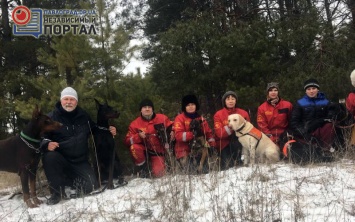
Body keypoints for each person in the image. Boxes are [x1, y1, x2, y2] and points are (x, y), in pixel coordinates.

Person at [41, 87, 117, 205]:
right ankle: (56, 193)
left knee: (92, 185)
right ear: (61, 101)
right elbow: (40, 136)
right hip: (61, 159)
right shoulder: (51, 117)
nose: (69, 102)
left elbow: (95, 129)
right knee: (49, 156)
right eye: (66, 99)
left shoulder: (83, 116)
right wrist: (46, 143)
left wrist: (108, 130)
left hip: (79, 161)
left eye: (72, 99)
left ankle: (67, 180)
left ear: (76, 102)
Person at [124, 98, 174, 178]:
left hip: (158, 152)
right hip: (144, 151)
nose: (147, 109)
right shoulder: (134, 124)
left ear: (152, 109)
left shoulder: (162, 118)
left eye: (149, 107)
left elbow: (173, 126)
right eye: (144, 107)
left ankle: (161, 165)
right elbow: (127, 141)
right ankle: (143, 169)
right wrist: (138, 136)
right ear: (141, 110)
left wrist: (173, 132)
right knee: (134, 148)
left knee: (159, 174)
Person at [289, 78, 335, 152]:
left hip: (321, 130)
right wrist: (303, 132)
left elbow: (332, 115)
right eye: (309, 89)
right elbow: (294, 122)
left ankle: (326, 150)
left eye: (314, 88)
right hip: (306, 131)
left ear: (318, 89)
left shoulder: (326, 102)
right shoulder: (300, 103)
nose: (311, 91)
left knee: (329, 126)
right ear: (305, 91)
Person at [173, 94, 215, 173]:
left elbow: (208, 133)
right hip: (184, 150)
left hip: (199, 149)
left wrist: (212, 145)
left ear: (196, 106)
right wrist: (193, 134)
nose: (191, 106)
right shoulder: (179, 118)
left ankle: (203, 166)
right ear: (184, 107)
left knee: (204, 172)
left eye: (193, 104)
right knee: (191, 173)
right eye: (188, 105)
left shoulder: (201, 119)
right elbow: (178, 135)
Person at [213, 91, 250, 170]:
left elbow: (248, 129)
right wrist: (233, 127)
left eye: (233, 99)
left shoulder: (243, 113)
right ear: (224, 101)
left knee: (239, 164)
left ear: (236, 101)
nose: (230, 101)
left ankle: (241, 159)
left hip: (239, 142)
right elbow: (219, 133)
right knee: (227, 166)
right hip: (224, 143)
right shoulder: (218, 114)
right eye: (228, 99)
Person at [257, 82, 293, 147]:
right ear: (267, 92)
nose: (273, 92)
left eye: (275, 90)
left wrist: (289, 133)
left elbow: (292, 121)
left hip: (285, 136)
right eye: (270, 90)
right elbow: (262, 126)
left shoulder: (287, 105)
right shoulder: (262, 108)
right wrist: (271, 139)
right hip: (269, 137)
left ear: (278, 92)